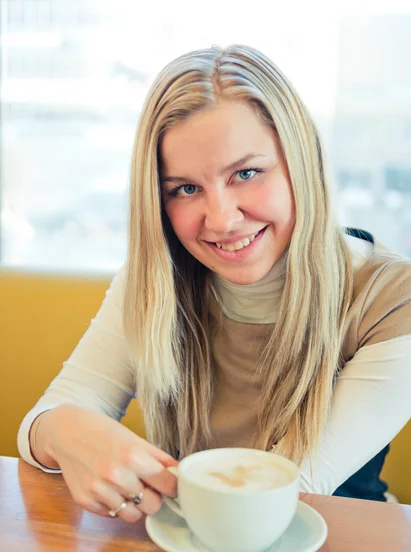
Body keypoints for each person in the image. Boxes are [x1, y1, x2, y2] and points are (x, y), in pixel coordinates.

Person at [18, 45, 411, 523]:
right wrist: (64, 428)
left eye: (246, 173)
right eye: (185, 188)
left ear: (302, 162)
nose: (222, 220)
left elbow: (291, 486)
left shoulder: (392, 299)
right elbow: (46, 420)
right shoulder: (155, 280)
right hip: (192, 536)